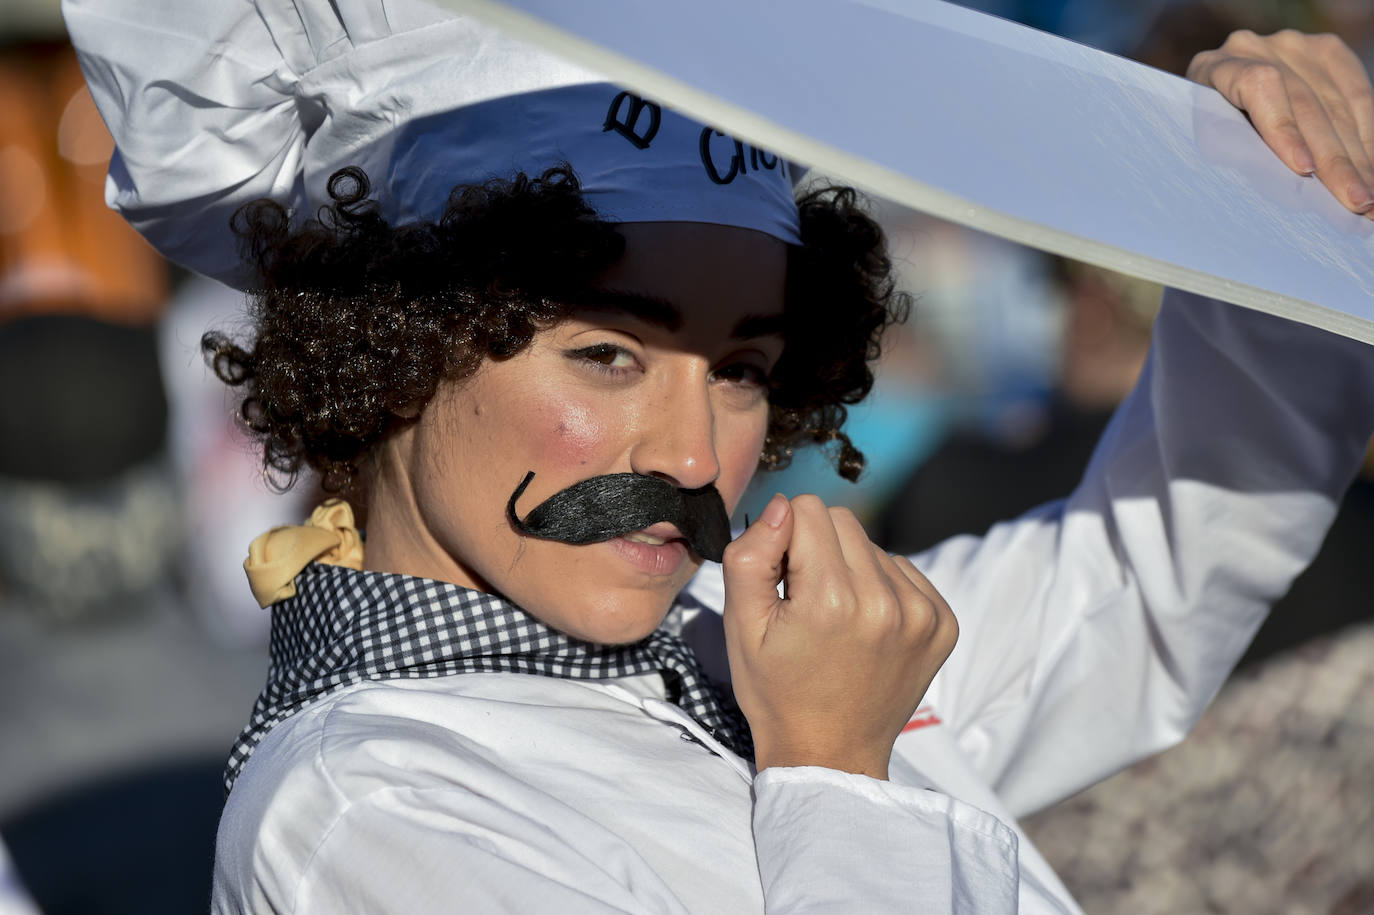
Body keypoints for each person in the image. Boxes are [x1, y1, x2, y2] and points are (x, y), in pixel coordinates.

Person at [63, 0, 1374, 910]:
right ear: (395, 347)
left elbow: (1146, 581)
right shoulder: (368, 815)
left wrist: (1266, 194)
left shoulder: (718, 645)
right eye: (607, 356)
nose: (692, 454)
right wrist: (831, 780)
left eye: (743, 368)